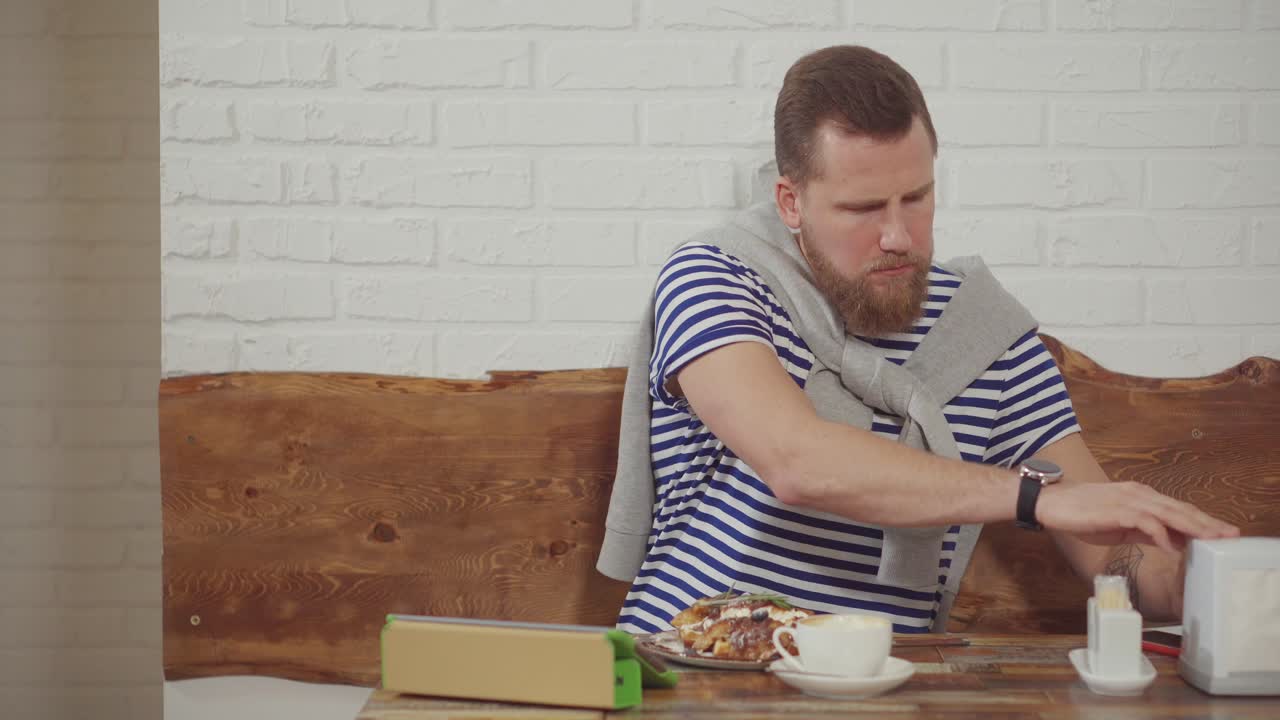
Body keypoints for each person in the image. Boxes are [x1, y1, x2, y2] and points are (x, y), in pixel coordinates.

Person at [596, 45, 1239, 635]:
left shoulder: (985, 334)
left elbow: (1114, 560)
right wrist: (1031, 497)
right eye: (862, 208)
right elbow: (796, 462)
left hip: (882, 684)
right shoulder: (717, 277)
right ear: (791, 202)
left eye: (918, 197)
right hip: (685, 664)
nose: (899, 235)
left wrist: (1211, 577)